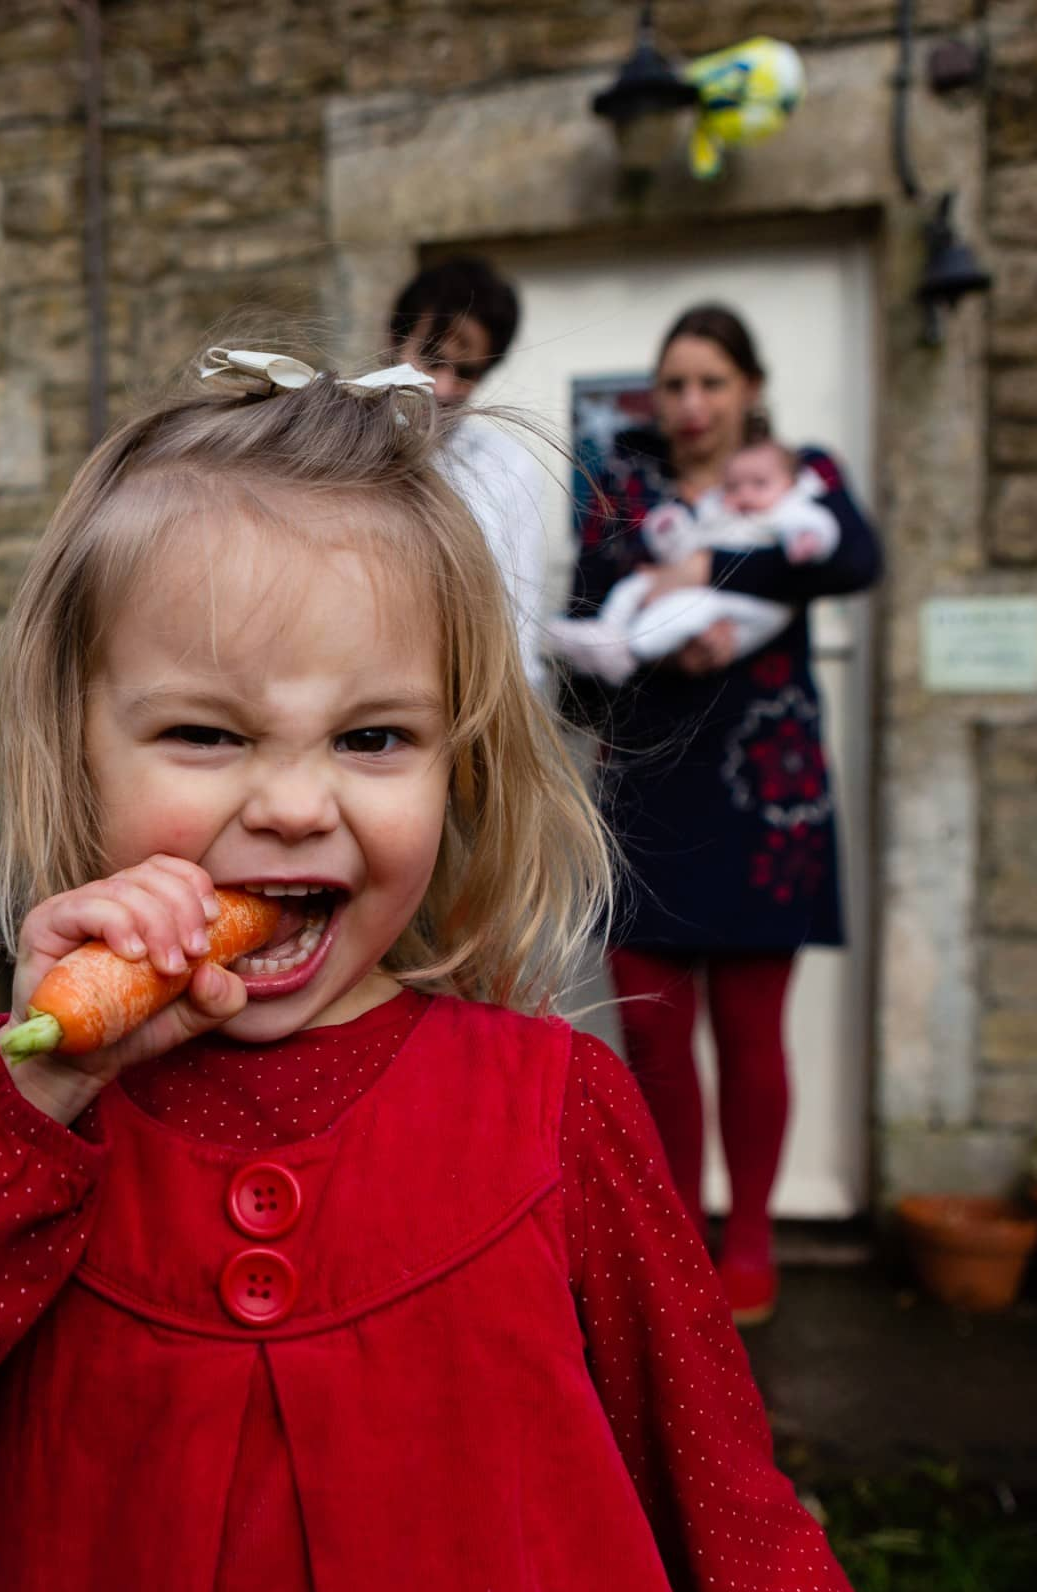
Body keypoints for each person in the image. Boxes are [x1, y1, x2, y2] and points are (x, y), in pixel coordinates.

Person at [0, 341, 930, 1592]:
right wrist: (32, 1094)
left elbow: (743, 1537)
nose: (298, 804)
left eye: (373, 738)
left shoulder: (561, 1109)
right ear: (74, 751)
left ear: (458, 761)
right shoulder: (20, 1123)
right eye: (204, 732)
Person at [564, 304, 885, 1327]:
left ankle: (748, 1237)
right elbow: (592, 614)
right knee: (655, 1039)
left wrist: (704, 572)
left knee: (752, 1032)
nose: (692, 404)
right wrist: (659, 624)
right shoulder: (621, 486)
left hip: (766, 792)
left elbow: (851, 560)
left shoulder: (804, 471)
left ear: (748, 388)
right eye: (674, 385)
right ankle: (675, 1239)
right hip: (649, 786)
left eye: (711, 382)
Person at [548, 421, 841, 686]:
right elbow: (692, 538)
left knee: (689, 609)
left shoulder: (789, 509)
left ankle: (630, 650)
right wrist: (669, 529)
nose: (745, 494)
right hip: (699, 595)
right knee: (637, 584)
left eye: (759, 484)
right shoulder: (720, 508)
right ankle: (606, 630)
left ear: (790, 485)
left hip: (741, 608)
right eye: (734, 486)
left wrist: (807, 542)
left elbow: (824, 532)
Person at [389, 255, 552, 689]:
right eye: (430, 359)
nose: (443, 388)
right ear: (394, 341)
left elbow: (520, 629)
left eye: (466, 373)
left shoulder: (510, 467)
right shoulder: (337, 445)